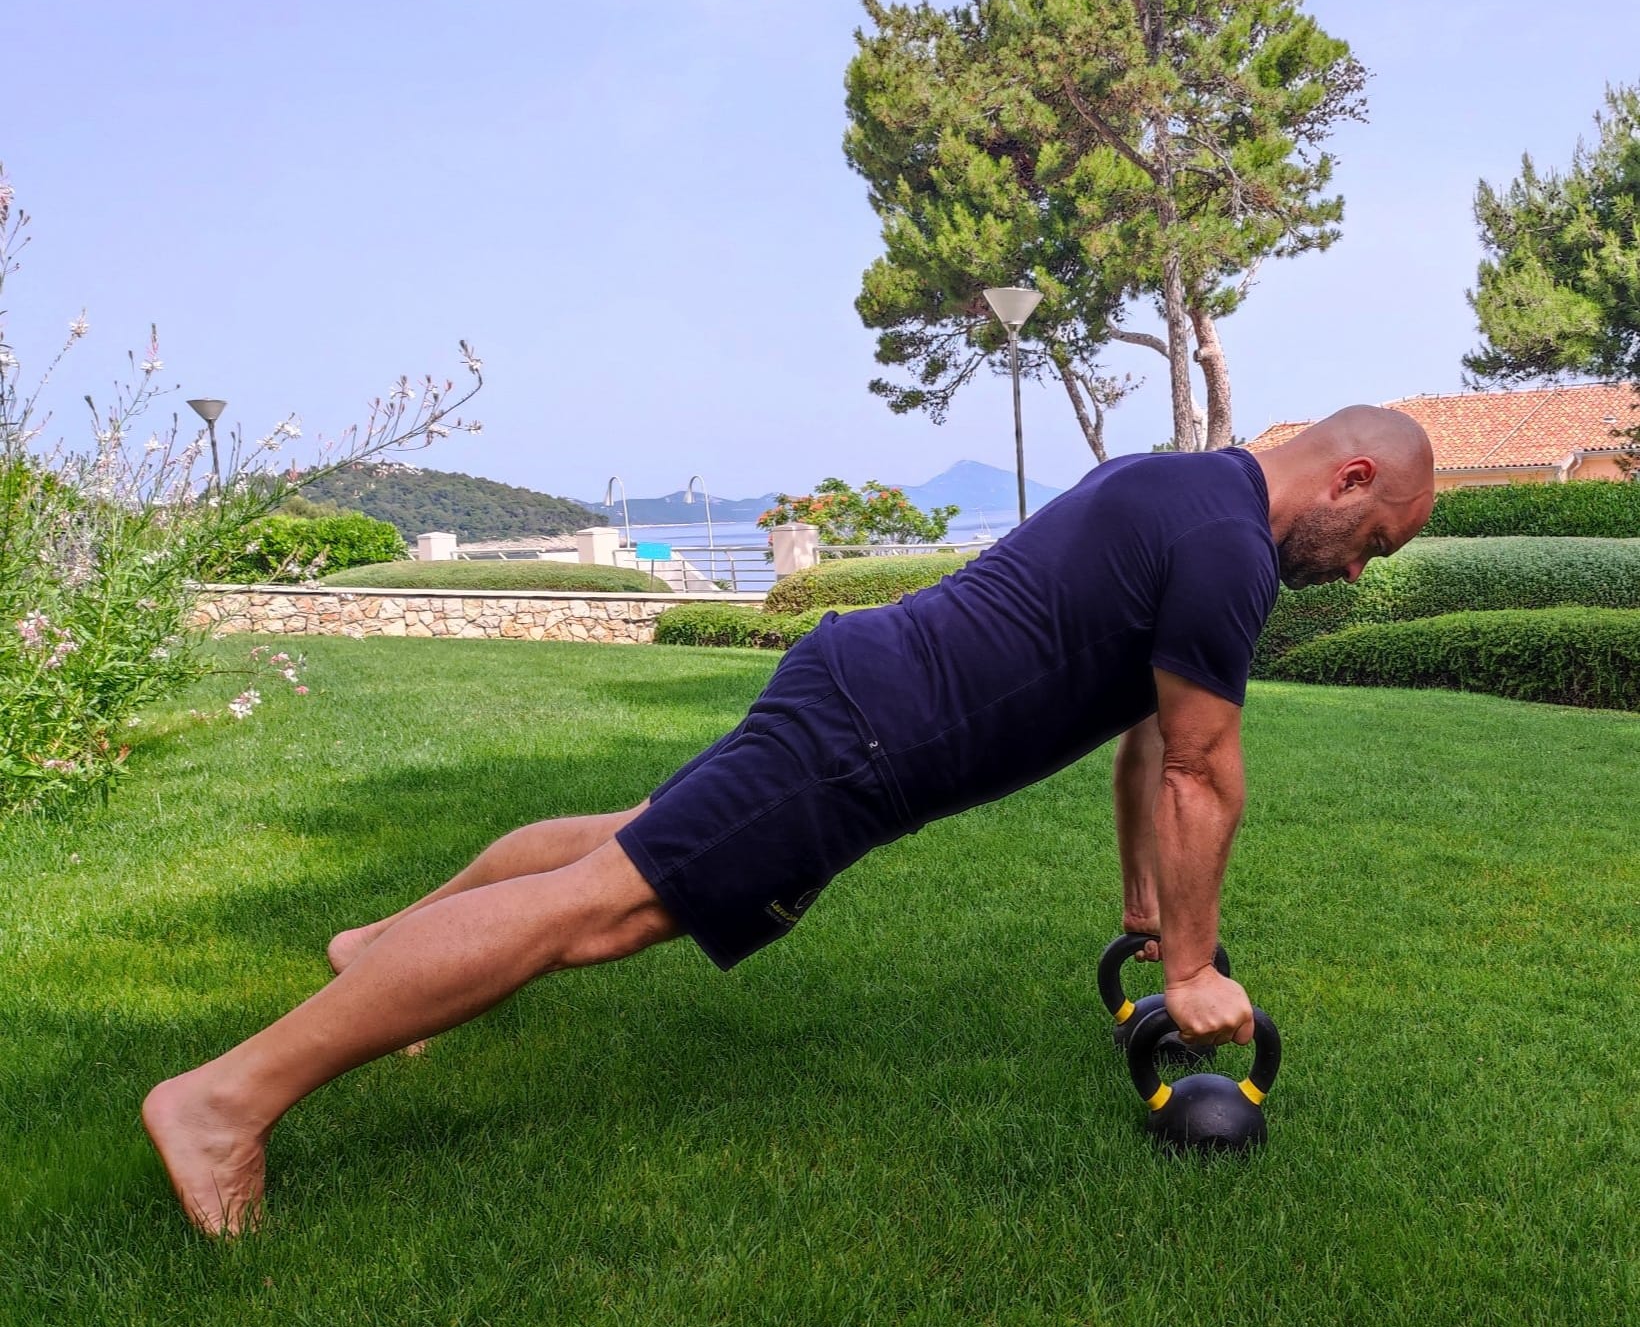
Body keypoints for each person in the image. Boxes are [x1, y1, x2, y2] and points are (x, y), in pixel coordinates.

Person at [144, 405, 1435, 1234]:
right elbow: (1203, 770)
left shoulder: (1180, 487)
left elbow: (1151, 733)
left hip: (855, 682)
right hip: (870, 739)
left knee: (627, 837)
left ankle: (383, 943)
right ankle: (225, 1101)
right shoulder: (1227, 547)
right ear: (1350, 474)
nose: (1360, 565)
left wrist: (1150, 907)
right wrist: (1199, 971)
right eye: (1374, 536)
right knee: (604, 910)